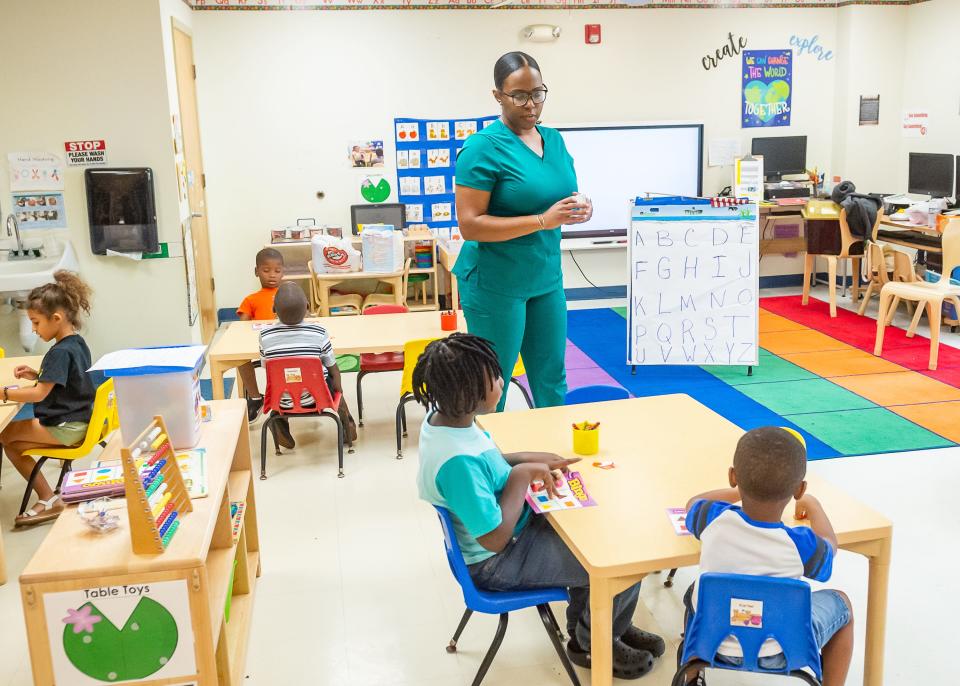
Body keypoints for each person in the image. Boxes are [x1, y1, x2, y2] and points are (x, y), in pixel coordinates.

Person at [414, 333, 664, 680]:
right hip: (498, 561)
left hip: (511, 535)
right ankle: (594, 641)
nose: (503, 383)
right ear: (466, 394)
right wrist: (519, 476)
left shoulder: (447, 423)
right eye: (495, 380)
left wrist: (529, 458)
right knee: (618, 562)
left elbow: (487, 463)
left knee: (599, 527)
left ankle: (601, 624)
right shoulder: (455, 462)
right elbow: (494, 539)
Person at [455, 52, 592, 411]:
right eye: (519, 95)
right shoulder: (483, 147)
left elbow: (560, 195)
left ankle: (554, 460)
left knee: (552, 377)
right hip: (495, 282)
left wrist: (580, 207)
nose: (531, 104)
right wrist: (542, 220)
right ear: (498, 95)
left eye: (538, 93)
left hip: (545, 277)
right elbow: (469, 224)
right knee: (492, 384)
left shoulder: (554, 140)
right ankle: (493, 464)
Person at [682, 426, 854, 686]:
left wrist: (741, 489)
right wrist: (814, 505)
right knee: (843, 603)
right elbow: (831, 546)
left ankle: (692, 671)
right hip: (781, 652)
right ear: (799, 489)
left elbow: (692, 503)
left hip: (711, 645)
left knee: (696, 590)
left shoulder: (712, 518)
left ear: (732, 476)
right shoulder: (800, 544)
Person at [0, 271, 95, 527]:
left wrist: (5, 393)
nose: (33, 328)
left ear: (56, 318)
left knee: (5, 435)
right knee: (13, 445)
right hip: (82, 419)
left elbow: (39, 394)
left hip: (68, 427)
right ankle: (49, 496)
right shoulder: (76, 343)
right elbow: (64, 381)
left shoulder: (59, 352)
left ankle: (47, 497)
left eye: (36, 322)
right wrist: (38, 374)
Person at [258, 282, 355, 450]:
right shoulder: (319, 332)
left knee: (284, 382)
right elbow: (332, 367)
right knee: (333, 382)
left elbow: (268, 368)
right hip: (318, 398)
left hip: (281, 401)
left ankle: (279, 421)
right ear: (308, 307)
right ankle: (348, 425)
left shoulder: (264, 336)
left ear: (274, 310)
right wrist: (338, 388)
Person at [237, 248, 284, 421]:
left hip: (284, 344)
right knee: (240, 358)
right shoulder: (251, 299)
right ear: (256, 272)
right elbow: (241, 328)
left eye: (277, 271)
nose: (272, 275)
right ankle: (256, 398)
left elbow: (304, 317)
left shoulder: (289, 294)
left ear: (283, 273)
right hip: (261, 345)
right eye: (266, 270)